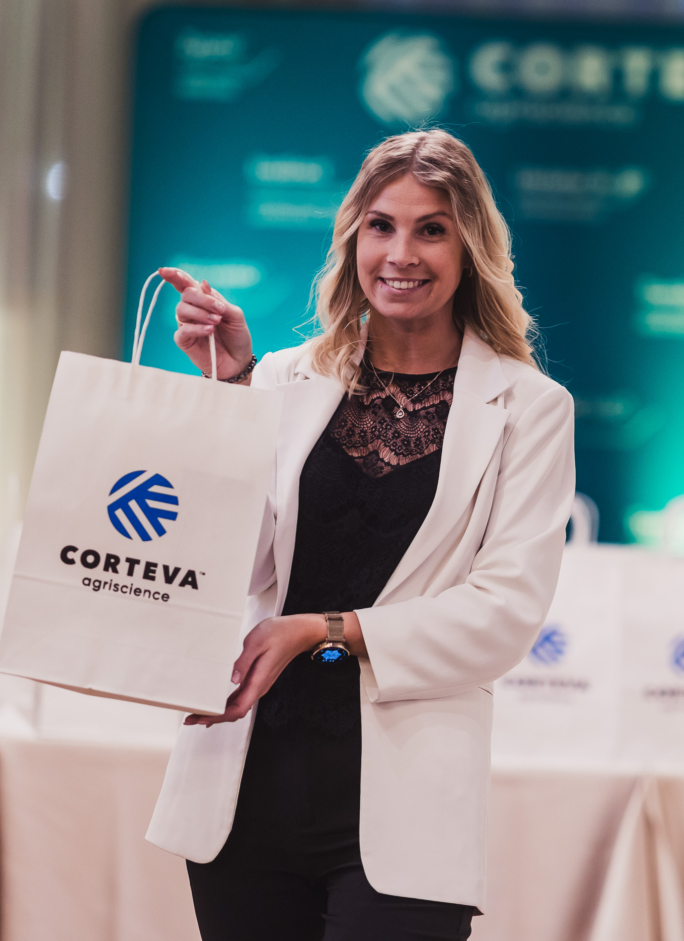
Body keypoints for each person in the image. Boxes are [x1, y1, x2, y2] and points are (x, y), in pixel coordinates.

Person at [143, 129, 575, 941]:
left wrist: (325, 629)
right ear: (352, 240)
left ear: (470, 248)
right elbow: (231, 561)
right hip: (247, 782)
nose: (401, 253)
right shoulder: (282, 376)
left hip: (408, 802)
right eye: (382, 225)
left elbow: (504, 612)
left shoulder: (530, 407)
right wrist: (231, 390)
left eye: (431, 229)